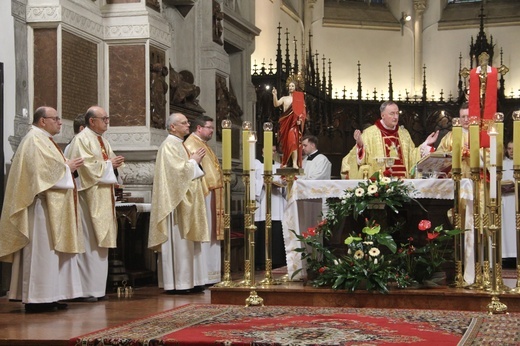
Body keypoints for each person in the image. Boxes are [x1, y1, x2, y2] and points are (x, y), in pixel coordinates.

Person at [0, 106, 85, 312]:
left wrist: (67, 167)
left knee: (51, 254)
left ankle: (51, 295)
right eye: (55, 118)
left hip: (53, 205)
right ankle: (37, 298)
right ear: (42, 121)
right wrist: (68, 168)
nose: (59, 122)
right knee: (41, 253)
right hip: (41, 207)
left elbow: (50, 166)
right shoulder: (34, 139)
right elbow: (39, 172)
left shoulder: (45, 140)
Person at [66, 105, 125, 301]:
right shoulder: (82, 140)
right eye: (104, 118)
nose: (107, 121)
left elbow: (105, 167)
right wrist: (110, 165)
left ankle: (97, 289)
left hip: (103, 199)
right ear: (92, 121)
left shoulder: (102, 140)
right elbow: (86, 168)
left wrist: (114, 167)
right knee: (90, 242)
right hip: (88, 200)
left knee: (99, 246)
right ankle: (85, 290)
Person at [148, 112, 210, 293]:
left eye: (187, 122)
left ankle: (194, 280)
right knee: (180, 243)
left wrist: (193, 162)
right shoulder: (168, 145)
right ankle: (179, 283)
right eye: (183, 123)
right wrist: (193, 162)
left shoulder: (180, 145)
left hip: (187, 201)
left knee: (190, 244)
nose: (187, 125)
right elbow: (175, 173)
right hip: (176, 204)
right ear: (172, 127)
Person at [345, 101, 439, 179]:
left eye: (397, 113)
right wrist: (360, 146)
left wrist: (426, 144)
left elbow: (412, 156)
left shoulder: (404, 133)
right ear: (383, 115)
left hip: (404, 182)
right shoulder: (369, 133)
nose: (396, 117)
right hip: (381, 185)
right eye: (392, 113)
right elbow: (358, 162)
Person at [184, 115, 223, 285]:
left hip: (212, 193)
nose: (212, 130)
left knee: (212, 233)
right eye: (209, 127)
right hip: (203, 194)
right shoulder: (191, 144)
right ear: (199, 128)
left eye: (212, 127)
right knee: (207, 233)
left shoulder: (203, 144)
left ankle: (212, 274)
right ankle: (205, 274)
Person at [254, 145, 287, 270]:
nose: (272, 153)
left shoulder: (279, 166)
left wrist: (283, 184)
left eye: (274, 151)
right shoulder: (256, 165)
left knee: (276, 230)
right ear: (262, 150)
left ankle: (277, 261)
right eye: (269, 150)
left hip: (276, 202)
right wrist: (262, 182)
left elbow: (285, 186)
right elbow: (251, 182)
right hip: (261, 202)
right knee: (262, 230)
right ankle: (260, 261)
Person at [272, 80, 306, 168]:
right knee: (285, 144)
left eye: (292, 86)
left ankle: (294, 163)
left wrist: (300, 120)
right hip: (285, 123)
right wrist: (275, 95)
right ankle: (285, 162)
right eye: (290, 86)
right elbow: (276, 104)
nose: (290, 88)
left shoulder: (298, 99)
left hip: (294, 124)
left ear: (296, 87)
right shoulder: (284, 98)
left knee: (293, 142)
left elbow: (302, 112)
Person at [436, 102, 471, 178]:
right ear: (459, 118)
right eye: (463, 117)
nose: (466, 120)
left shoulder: (479, 135)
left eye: (468, 116)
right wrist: (454, 153)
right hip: (454, 176)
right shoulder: (450, 136)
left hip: (473, 175)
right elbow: (440, 154)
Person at [501, 140, 515, 260]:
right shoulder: (502, 163)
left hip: (516, 200)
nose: (512, 151)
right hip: (504, 200)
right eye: (509, 148)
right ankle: (505, 255)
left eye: (514, 149)